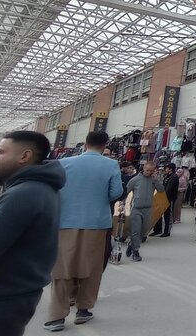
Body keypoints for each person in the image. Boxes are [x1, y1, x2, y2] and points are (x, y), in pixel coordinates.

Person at [0, 131, 64, 336]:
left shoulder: (23, 194)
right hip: (9, 295)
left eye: (0, 152)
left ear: (24, 156)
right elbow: (12, 235)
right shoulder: (38, 188)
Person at [45, 131, 123, 331]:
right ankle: (83, 310)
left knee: (62, 268)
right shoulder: (111, 165)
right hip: (96, 223)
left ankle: (56, 317)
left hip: (64, 222)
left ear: (85, 143)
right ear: (105, 145)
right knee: (91, 267)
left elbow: (52, 190)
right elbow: (116, 193)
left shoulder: (62, 163)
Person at [125, 162, 164, 262]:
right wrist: (123, 203)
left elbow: (161, 190)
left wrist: (156, 180)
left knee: (144, 231)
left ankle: (132, 244)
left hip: (148, 209)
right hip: (136, 208)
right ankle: (136, 252)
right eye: (147, 170)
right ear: (143, 168)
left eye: (151, 171)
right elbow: (126, 191)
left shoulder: (153, 180)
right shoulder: (135, 180)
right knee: (136, 230)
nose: (149, 172)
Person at [150, 163, 179, 237]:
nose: (165, 170)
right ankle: (157, 229)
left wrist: (163, 194)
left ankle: (167, 231)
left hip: (169, 198)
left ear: (170, 169)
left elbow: (168, 189)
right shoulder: (167, 176)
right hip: (162, 197)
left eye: (166, 168)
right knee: (158, 213)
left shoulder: (174, 177)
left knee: (168, 215)